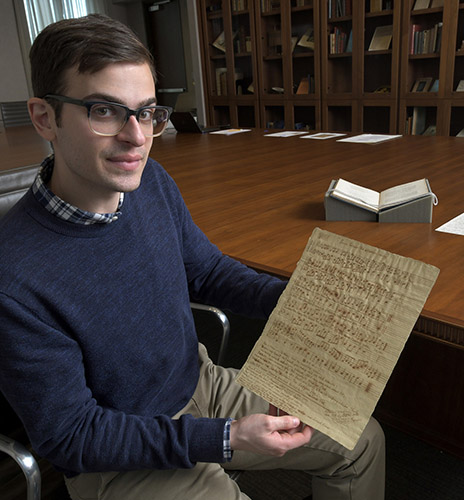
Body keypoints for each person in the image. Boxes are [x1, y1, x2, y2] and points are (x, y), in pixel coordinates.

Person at [0, 14, 385, 500]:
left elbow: (205, 270)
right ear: (44, 117)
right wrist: (223, 440)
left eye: (146, 112)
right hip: (116, 447)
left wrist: (299, 299)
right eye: (104, 110)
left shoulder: (150, 183)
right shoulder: (13, 277)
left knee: (362, 439)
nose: (137, 138)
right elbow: (71, 436)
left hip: (196, 380)